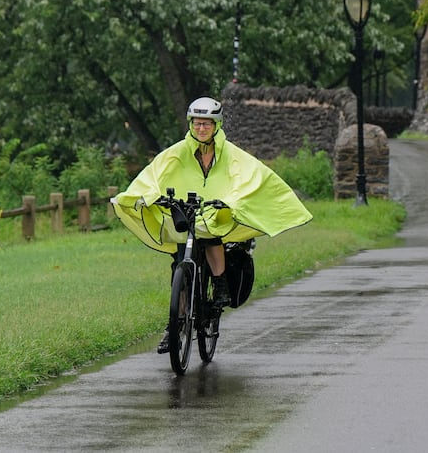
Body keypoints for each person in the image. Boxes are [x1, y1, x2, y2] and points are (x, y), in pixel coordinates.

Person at [111, 96, 312, 352]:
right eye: (196, 124)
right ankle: (176, 325)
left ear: (216, 125)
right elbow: (153, 175)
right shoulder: (177, 152)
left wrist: (232, 200)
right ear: (190, 124)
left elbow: (249, 175)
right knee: (179, 264)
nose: (201, 129)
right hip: (186, 212)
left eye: (206, 124)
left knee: (212, 238)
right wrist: (144, 196)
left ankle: (219, 285)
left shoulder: (230, 154)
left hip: (213, 213)